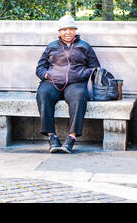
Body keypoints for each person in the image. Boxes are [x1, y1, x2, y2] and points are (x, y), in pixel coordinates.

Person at [35, 15, 100, 154]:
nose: (67, 32)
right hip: (53, 82)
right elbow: (40, 68)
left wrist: (82, 73)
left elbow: (96, 69)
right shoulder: (52, 47)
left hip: (75, 83)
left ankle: (71, 138)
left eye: (70, 29)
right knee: (43, 94)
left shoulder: (84, 46)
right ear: (59, 32)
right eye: (64, 29)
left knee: (79, 97)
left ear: (75, 31)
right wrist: (46, 75)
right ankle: (52, 137)